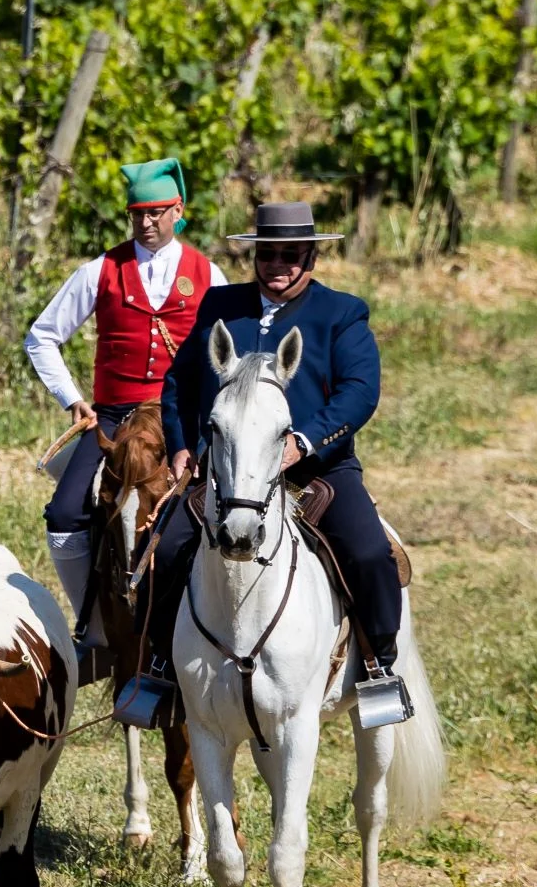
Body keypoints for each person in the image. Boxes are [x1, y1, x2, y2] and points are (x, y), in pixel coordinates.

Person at [126, 198, 406, 718]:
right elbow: (179, 381)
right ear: (254, 258)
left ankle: (379, 666)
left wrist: (306, 440)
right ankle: (159, 668)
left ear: (311, 258)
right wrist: (183, 443)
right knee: (162, 553)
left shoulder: (342, 314)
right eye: (269, 255)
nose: (280, 265)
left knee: (369, 553)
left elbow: (360, 391)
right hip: (227, 469)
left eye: (291, 255)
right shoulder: (219, 306)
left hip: (316, 469)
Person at [20, 157, 215, 670]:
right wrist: (72, 398)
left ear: (178, 210)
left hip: (179, 417)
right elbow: (40, 337)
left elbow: (227, 347)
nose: (146, 223)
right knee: (64, 515)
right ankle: (96, 628)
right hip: (112, 416)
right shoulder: (100, 270)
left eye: (155, 213)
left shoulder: (207, 274)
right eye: (137, 214)